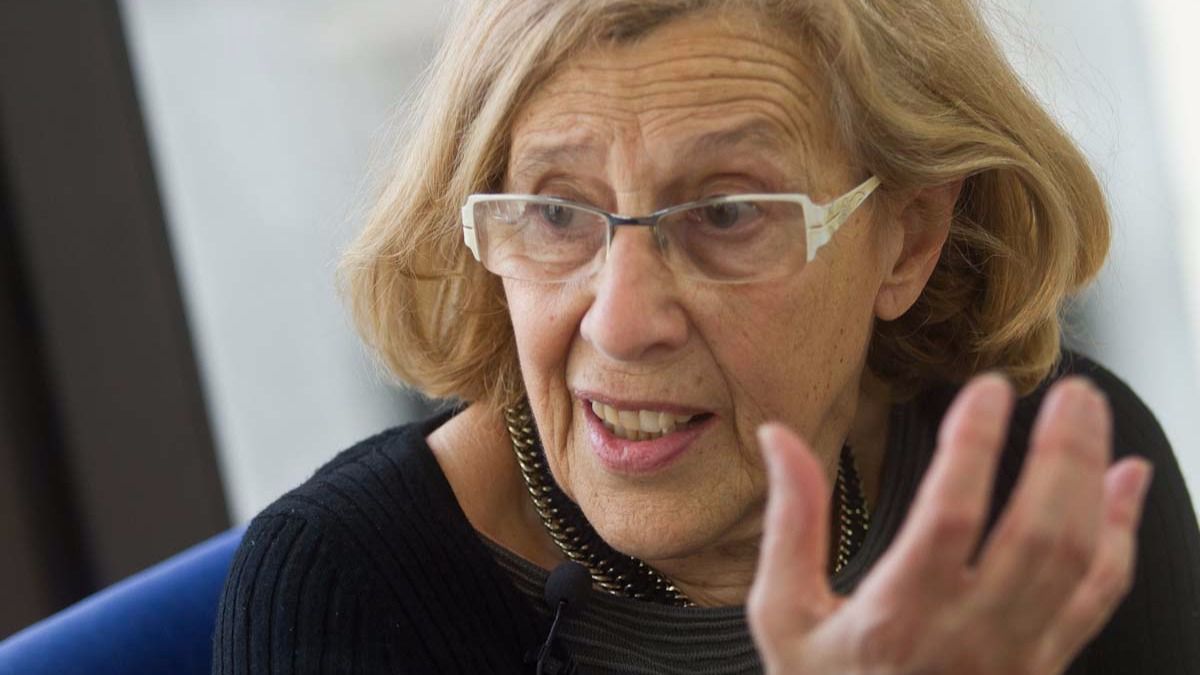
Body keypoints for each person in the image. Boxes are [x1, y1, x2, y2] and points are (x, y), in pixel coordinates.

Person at [212, 1, 1200, 673]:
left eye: (726, 214)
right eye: (555, 213)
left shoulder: (1053, 485)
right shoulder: (348, 588)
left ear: (907, 238)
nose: (622, 321)